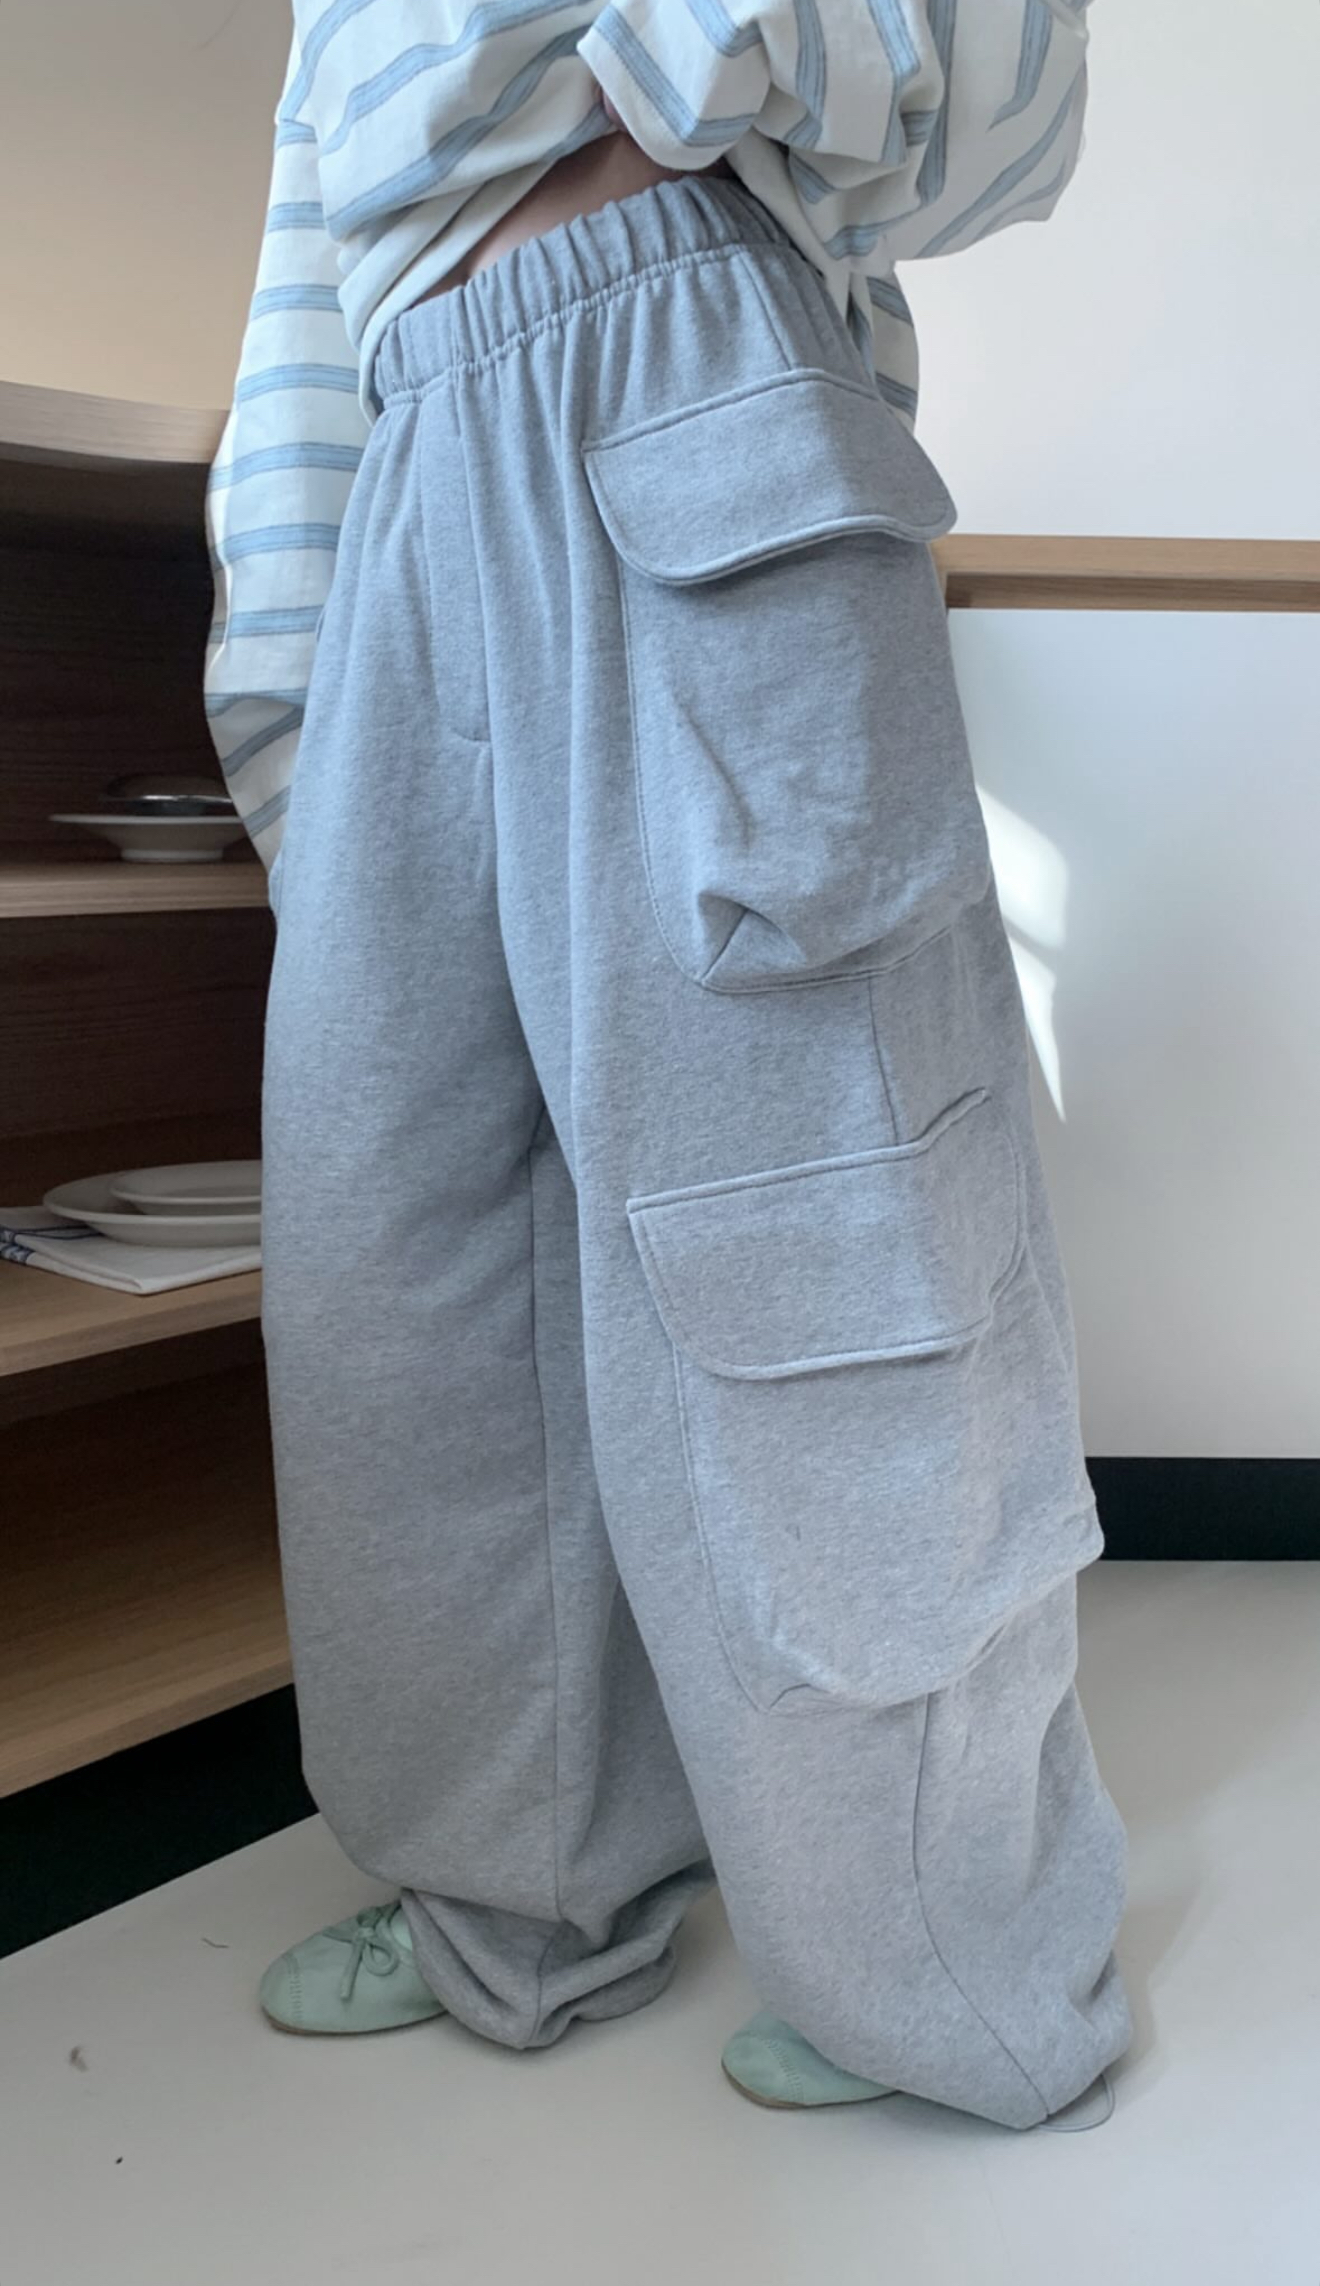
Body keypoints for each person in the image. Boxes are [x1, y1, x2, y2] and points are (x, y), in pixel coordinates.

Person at [206, 0, 1132, 2129]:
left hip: (687, 354)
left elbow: (1017, 90)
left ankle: (940, 1953)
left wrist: (661, 66)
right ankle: (516, 1889)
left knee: (823, 1233)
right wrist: (290, 684)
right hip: (402, 484)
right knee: (407, 1270)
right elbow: (300, 311)